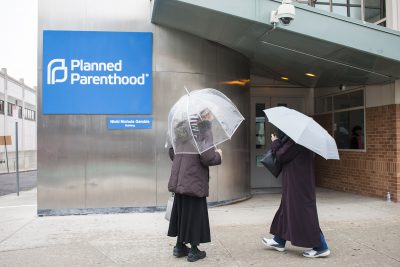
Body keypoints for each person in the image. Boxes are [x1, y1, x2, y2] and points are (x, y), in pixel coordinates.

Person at [262, 133, 330, 258]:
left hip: (298, 183)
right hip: (296, 181)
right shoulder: (300, 139)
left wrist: (275, 142)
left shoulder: (297, 140)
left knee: (303, 213)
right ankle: (279, 241)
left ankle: (321, 247)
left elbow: (281, 155)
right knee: (286, 209)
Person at [167, 111, 222, 262]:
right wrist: (219, 155)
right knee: (195, 215)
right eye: (210, 114)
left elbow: (172, 153)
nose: (212, 117)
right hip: (194, 180)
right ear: (204, 116)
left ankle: (179, 247)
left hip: (180, 179)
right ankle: (194, 250)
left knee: (182, 213)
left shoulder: (180, 130)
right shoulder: (204, 130)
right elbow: (207, 157)